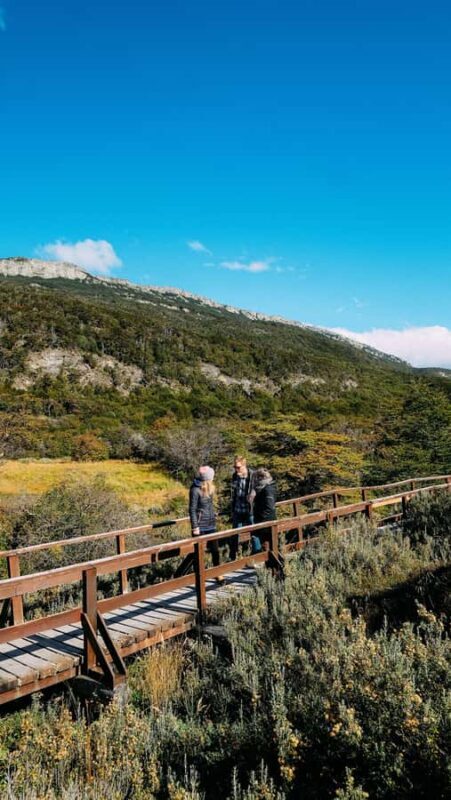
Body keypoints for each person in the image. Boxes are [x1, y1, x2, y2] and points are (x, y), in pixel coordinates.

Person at [189, 465, 220, 570]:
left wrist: (213, 513)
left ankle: (217, 572)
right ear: (207, 478)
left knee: (215, 550)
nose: (213, 478)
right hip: (200, 525)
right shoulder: (195, 490)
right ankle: (198, 576)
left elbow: (209, 505)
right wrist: (195, 527)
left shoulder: (210, 488)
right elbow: (192, 509)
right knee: (198, 553)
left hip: (211, 523)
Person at [229, 456, 255, 560]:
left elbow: (258, 490)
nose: (236, 469)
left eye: (238, 467)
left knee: (254, 533)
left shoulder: (252, 475)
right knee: (234, 534)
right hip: (237, 510)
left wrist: (253, 496)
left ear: (244, 465)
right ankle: (233, 558)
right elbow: (233, 493)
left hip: (250, 510)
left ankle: (256, 556)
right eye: (234, 467)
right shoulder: (235, 476)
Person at [251, 468, 277, 552]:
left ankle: (274, 562)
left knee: (268, 544)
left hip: (266, 521)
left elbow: (269, 506)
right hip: (263, 520)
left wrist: (261, 518)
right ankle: (270, 563)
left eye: (256, 478)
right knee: (266, 544)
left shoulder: (268, 489)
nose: (255, 480)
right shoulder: (264, 488)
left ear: (260, 477)